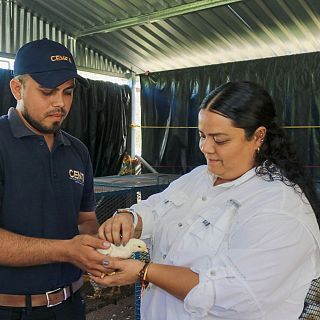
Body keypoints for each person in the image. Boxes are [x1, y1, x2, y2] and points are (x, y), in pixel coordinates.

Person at [92, 81, 320, 319]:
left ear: (258, 137)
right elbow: (157, 210)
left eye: (220, 140)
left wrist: (145, 271)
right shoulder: (199, 177)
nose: (206, 148)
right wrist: (130, 218)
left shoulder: (279, 208)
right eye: (202, 135)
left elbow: (232, 295)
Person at [0, 38, 113, 320]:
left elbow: (85, 219)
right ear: (18, 88)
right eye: (47, 92)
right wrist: (66, 251)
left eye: (68, 92)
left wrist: (96, 246)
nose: (60, 103)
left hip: (70, 305)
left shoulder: (77, 151)